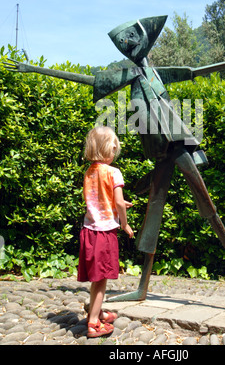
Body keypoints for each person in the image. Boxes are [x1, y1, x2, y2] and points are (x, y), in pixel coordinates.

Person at [77, 126, 134, 338]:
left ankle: (97, 311)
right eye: (114, 148)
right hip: (105, 233)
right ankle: (93, 323)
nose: (115, 153)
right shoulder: (113, 172)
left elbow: (99, 199)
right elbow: (118, 202)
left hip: (89, 231)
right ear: (106, 150)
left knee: (96, 278)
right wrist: (125, 223)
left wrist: (116, 203)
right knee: (101, 280)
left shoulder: (89, 172)